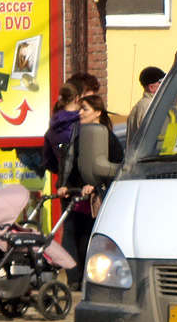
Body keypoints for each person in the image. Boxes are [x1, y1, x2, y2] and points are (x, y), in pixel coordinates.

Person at [58, 94, 123, 289]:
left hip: (94, 196)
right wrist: (64, 184)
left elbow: (116, 166)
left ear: (97, 112)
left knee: (87, 235)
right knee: (69, 233)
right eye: (80, 108)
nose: (80, 112)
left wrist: (95, 185)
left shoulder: (107, 137)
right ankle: (73, 278)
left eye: (85, 108)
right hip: (73, 193)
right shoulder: (78, 134)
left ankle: (86, 278)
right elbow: (68, 162)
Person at [126, 66, 165, 145]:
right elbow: (150, 138)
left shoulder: (145, 104)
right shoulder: (149, 106)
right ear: (151, 87)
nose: (165, 84)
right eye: (161, 82)